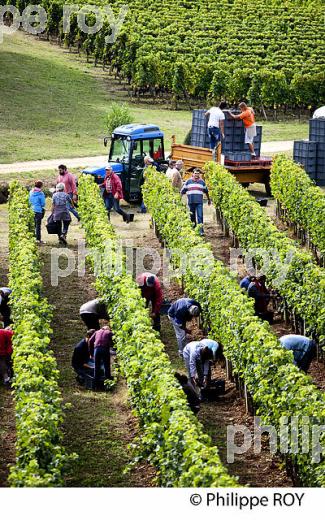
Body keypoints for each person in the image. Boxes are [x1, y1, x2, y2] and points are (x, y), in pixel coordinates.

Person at [181, 168, 211, 235]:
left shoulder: (202, 182)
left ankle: (201, 231)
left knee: (200, 216)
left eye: (198, 174)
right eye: (195, 173)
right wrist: (179, 198)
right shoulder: (188, 181)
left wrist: (209, 199)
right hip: (191, 202)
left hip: (199, 202)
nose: (196, 175)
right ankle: (194, 230)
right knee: (192, 216)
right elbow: (182, 191)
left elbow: (206, 191)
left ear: (199, 174)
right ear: (193, 174)